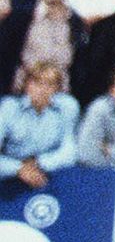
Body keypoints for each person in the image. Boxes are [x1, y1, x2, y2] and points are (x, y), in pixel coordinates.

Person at [0, 58, 79, 189]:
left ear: (57, 89)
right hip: (8, 177)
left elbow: (70, 152)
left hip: (46, 174)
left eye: (50, 84)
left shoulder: (67, 107)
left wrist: (39, 162)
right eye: (37, 83)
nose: (43, 89)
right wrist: (18, 169)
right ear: (27, 85)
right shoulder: (9, 107)